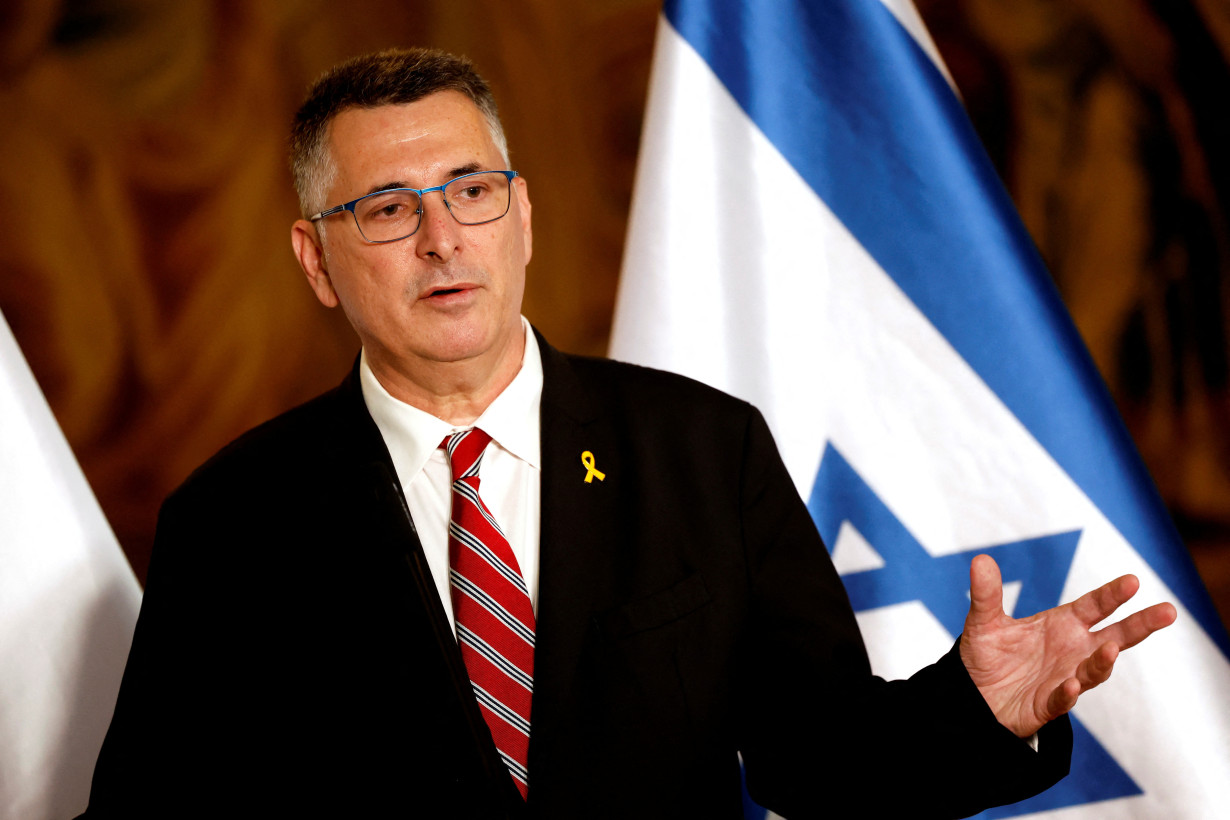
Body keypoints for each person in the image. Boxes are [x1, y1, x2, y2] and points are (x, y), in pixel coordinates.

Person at [80, 48, 1176, 819]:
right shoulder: (233, 518)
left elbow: (823, 765)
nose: (442, 238)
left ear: (523, 217)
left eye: (471, 190)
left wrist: (978, 711)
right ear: (316, 260)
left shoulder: (702, 450)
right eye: (388, 207)